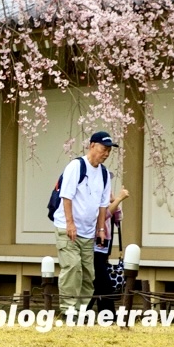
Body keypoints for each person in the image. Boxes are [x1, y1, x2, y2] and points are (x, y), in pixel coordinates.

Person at [53, 132, 115, 312]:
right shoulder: (76, 166)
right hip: (68, 228)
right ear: (92, 145)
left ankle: (80, 310)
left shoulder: (103, 173)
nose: (106, 153)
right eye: (104, 149)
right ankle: (68, 309)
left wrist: (101, 228)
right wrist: (70, 223)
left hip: (88, 231)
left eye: (109, 150)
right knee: (72, 268)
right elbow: (66, 196)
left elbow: (104, 205)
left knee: (89, 274)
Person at [92, 186, 130, 313]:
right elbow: (102, 216)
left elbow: (118, 218)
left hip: (104, 246)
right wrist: (118, 199)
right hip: (94, 246)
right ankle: (108, 316)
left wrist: (115, 201)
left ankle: (88, 313)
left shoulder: (106, 196)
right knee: (103, 283)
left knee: (98, 284)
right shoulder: (92, 198)